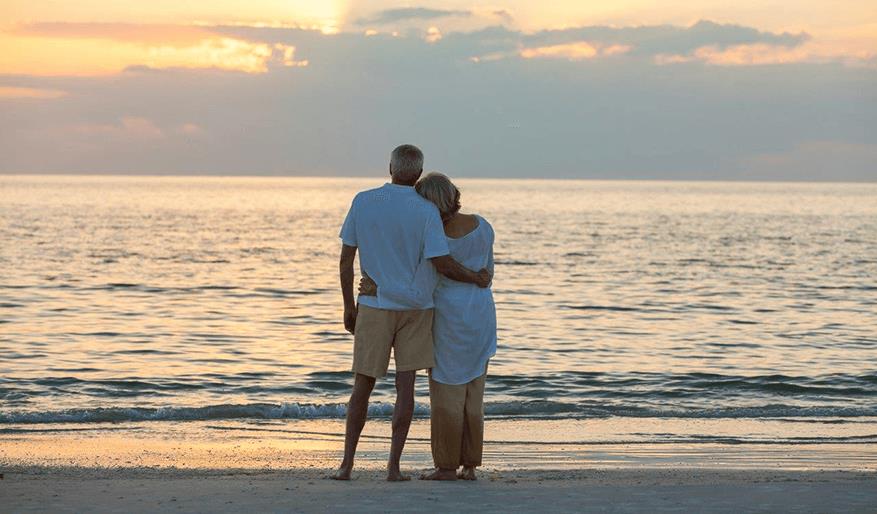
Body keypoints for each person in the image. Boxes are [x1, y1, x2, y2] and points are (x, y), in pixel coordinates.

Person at [333, 145, 491, 482]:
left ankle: (347, 465)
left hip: (374, 307)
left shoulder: (363, 200)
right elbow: (439, 261)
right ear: (418, 174)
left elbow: (346, 260)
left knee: (362, 386)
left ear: (390, 166)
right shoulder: (426, 211)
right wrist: (477, 277)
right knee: (406, 389)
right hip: (418, 311)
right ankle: (393, 467)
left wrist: (348, 305)